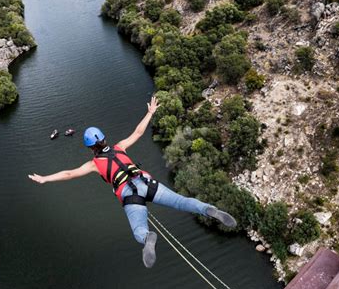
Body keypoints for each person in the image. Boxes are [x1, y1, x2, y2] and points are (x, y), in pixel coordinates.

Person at [28, 96, 237, 268]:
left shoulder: (94, 164)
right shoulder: (120, 147)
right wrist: (150, 113)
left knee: (139, 230)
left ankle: (148, 239)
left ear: (90, 147)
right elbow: (138, 132)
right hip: (146, 182)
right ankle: (209, 209)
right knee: (182, 202)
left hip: (130, 195)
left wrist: (45, 179)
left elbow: (69, 174)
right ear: (104, 139)